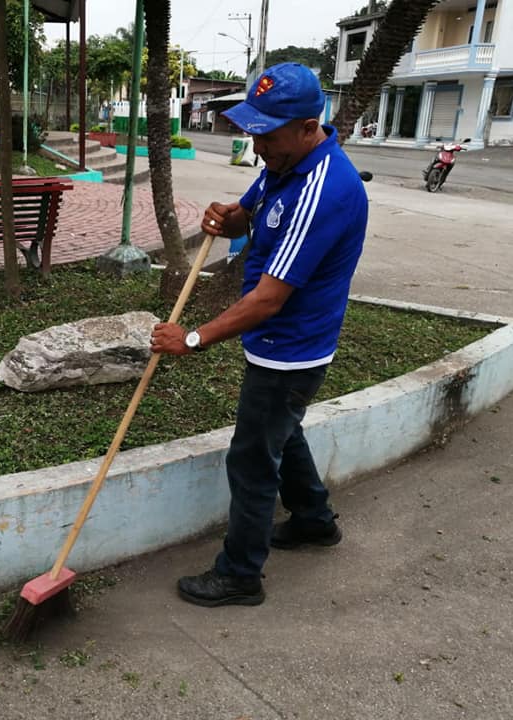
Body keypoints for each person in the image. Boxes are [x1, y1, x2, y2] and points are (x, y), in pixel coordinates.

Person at [150, 63, 369, 607]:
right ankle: (314, 520)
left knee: (251, 459)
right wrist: (228, 216)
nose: (258, 146)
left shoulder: (325, 190)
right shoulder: (284, 162)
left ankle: (240, 574)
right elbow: (248, 215)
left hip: (290, 350)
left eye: (268, 135)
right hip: (279, 344)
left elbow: (270, 299)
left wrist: (192, 339)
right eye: (255, 132)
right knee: (282, 433)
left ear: (308, 127)